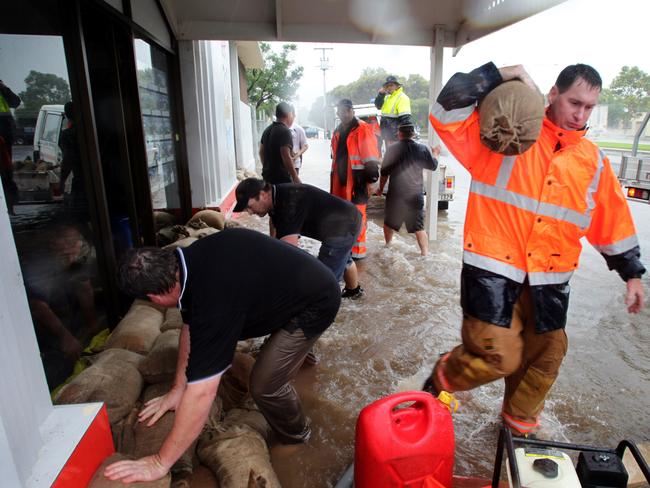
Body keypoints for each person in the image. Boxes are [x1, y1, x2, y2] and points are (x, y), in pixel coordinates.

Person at [424, 62, 646, 436]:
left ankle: (515, 433)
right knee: (499, 356)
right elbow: (444, 111)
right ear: (553, 94)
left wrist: (632, 274)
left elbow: (613, 221)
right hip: (493, 275)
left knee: (547, 356)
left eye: (589, 107)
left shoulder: (593, 162)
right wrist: (499, 73)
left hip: (549, 283)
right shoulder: (505, 133)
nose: (580, 114)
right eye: (574, 102)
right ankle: (441, 379)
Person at [104, 228, 340, 483]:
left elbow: (204, 392)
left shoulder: (213, 300)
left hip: (316, 301)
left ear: (155, 298)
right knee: (280, 353)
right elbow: (190, 328)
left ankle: (298, 435)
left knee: (264, 385)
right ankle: (302, 356)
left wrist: (160, 462)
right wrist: (177, 389)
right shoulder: (187, 263)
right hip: (293, 285)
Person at [234, 177, 364, 299]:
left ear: (262, 195)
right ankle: (354, 293)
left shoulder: (287, 204)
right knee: (343, 259)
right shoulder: (277, 195)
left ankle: (324, 315)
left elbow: (289, 255)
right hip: (349, 218)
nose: (250, 213)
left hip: (344, 227)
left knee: (323, 283)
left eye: (249, 207)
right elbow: (276, 237)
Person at [375, 123, 439, 256]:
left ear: (399, 133)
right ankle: (425, 254)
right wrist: (435, 154)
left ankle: (388, 245)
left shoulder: (392, 149)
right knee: (418, 227)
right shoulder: (422, 149)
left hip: (396, 195)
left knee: (389, 223)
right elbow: (433, 166)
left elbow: (384, 173)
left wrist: (380, 189)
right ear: (413, 134)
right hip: (415, 194)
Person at [330, 99, 381, 260]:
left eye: (345, 111)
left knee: (358, 216)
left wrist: (372, 180)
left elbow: (371, 156)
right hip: (340, 182)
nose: (342, 114)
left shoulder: (362, 129)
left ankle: (358, 253)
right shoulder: (338, 130)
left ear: (351, 110)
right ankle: (346, 248)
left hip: (358, 182)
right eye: (339, 111)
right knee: (342, 215)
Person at [260, 101, 301, 185]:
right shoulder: (285, 131)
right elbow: (286, 156)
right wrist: (295, 178)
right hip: (281, 180)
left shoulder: (267, 130)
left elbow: (261, 152)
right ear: (289, 114)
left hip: (267, 178)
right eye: (292, 115)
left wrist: (267, 168)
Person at [0, 80, 21, 214]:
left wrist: (4, 88)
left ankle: (9, 206)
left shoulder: (2, 92)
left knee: (7, 171)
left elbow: (15, 102)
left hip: (5, 136)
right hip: (3, 135)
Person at [374, 75, 412, 147]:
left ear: (397, 86)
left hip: (396, 138)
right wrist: (381, 95)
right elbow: (378, 106)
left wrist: (402, 138)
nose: (389, 87)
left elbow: (405, 120)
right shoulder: (387, 97)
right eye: (387, 86)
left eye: (391, 85)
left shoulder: (402, 98)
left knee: (397, 157)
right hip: (388, 136)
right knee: (391, 156)